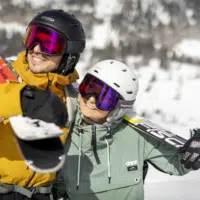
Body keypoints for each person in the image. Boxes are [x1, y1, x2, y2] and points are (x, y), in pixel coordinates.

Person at [52, 59, 200, 200]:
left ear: (120, 107)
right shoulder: (64, 130)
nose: (91, 100)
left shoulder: (137, 135)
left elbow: (179, 163)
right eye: (88, 88)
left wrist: (195, 148)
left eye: (104, 98)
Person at [0, 9, 86, 200]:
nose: (36, 49)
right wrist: (23, 99)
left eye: (49, 43)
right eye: (33, 38)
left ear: (69, 54)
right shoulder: (4, 74)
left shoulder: (71, 97)